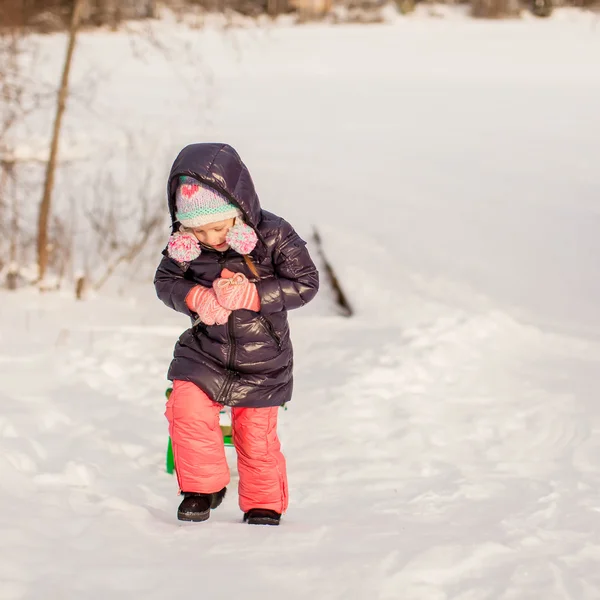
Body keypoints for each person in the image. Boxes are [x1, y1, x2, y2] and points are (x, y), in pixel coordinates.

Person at [154, 143, 319, 526]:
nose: (209, 239)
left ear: (237, 212)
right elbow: (166, 281)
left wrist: (254, 294)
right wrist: (194, 296)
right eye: (198, 230)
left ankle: (263, 502)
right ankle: (202, 488)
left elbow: (306, 283)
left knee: (255, 435)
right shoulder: (187, 243)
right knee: (186, 408)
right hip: (204, 351)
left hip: (263, 356)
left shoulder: (274, 235)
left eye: (217, 228)